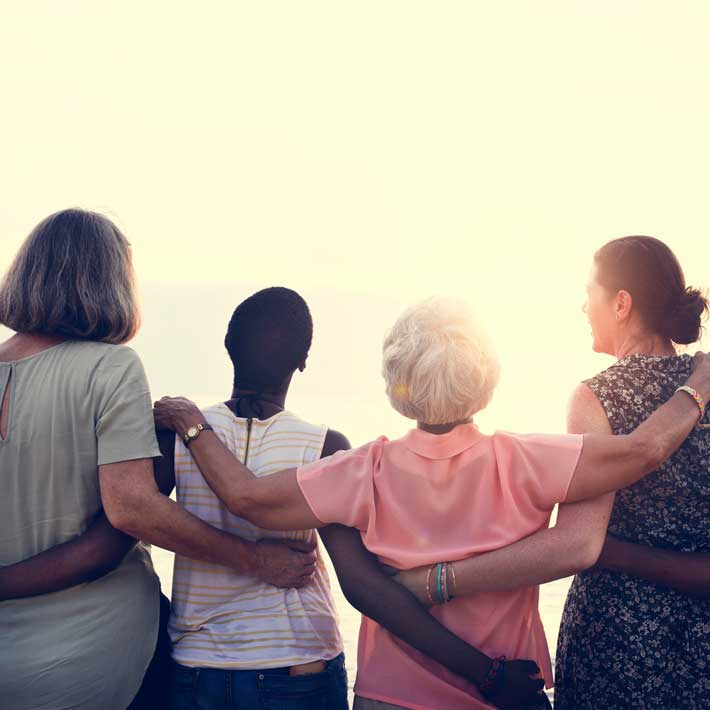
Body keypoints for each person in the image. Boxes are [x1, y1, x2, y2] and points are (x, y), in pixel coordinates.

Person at [154, 296, 710, 710]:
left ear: (396, 379)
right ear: (487, 377)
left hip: (389, 696)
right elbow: (645, 449)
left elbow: (245, 497)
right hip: (503, 692)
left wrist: (193, 423)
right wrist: (698, 384)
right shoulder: (528, 461)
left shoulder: (361, 470)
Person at [157, 287, 550, 710]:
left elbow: (139, 520)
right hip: (297, 667)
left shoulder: (178, 435)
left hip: (196, 667)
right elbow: (363, 585)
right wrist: (485, 672)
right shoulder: (323, 446)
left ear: (228, 346)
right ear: (303, 362)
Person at [0, 209, 317, 710]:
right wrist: (254, 560)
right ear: (110, 282)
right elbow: (132, 510)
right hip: (98, 661)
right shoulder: (110, 367)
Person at [551, 236, 710, 709]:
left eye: (590, 293)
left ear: (621, 303)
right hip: (700, 647)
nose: (583, 307)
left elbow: (580, 543)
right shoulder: (705, 381)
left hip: (613, 636)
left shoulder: (595, 397)